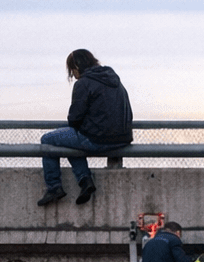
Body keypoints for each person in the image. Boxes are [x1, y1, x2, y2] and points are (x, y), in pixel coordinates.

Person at [38, 48, 133, 207]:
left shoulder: (83, 83)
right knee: (68, 137)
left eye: (71, 70)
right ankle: (84, 182)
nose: (73, 75)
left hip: (99, 139)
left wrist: (77, 124)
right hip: (122, 138)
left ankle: (54, 186)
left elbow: (74, 119)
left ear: (76, 66)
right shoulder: (113, 78)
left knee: (48, 140)